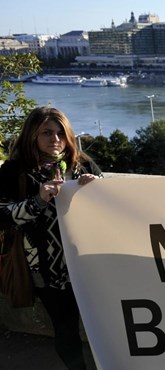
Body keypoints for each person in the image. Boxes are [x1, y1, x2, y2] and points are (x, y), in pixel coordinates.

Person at [0, 107, 102, 370]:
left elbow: (109, 210)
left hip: (88, 263)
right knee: (66, 328)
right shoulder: (14, 172)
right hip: (46, 269)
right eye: (46, 132)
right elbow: (2, 215)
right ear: (32, 135)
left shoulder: (83, 165)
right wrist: (38, 201)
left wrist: (98, 189)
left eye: (60, 133)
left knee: (101, 325)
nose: (55, 139)